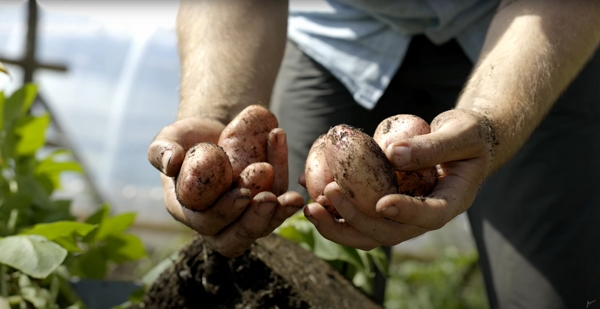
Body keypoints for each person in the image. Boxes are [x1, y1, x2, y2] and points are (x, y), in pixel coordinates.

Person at [147, 0, 600, 307]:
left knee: (553, 294)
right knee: (292, 268)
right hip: (340, 34)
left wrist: (492, 122)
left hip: (525, 34)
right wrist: (219, 114)